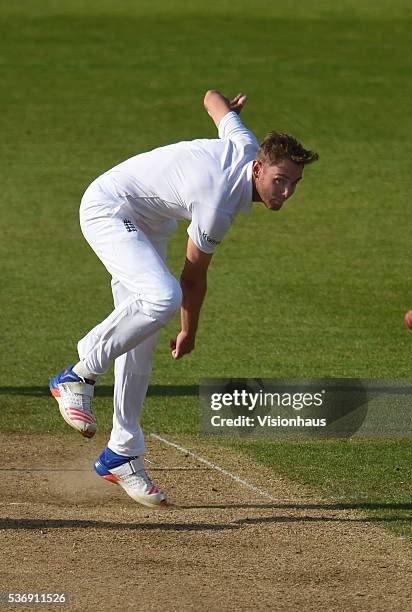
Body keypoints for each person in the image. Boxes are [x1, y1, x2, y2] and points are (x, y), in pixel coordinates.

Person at [49, 90, 318, 508]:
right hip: (109, 209)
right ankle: (78, 374)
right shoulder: (217, 204)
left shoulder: (246, 144)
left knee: (141, 336)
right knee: (162, 298)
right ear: (258, 168)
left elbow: (211, 99)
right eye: (279, 181)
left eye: (293, 185)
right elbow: (193, 276)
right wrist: (189, 329)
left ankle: (121, 452)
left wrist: (228, 108)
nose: (285, 192)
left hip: (148, 222)